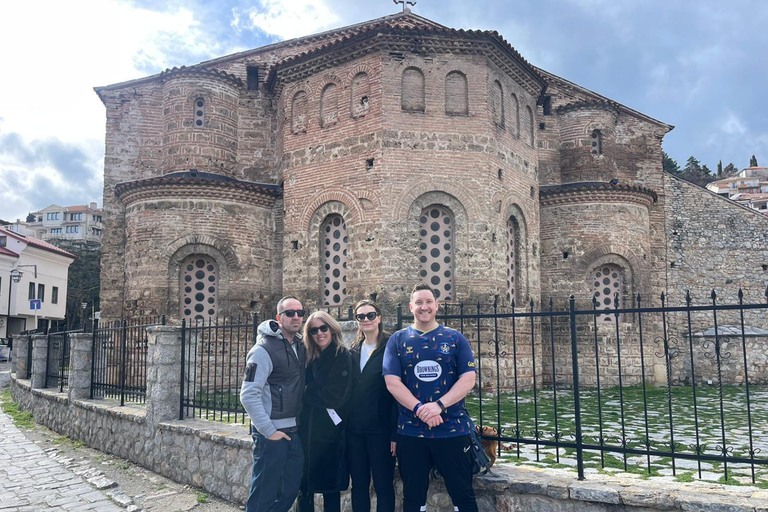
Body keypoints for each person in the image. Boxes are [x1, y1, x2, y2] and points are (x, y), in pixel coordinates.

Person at [383, 284, 478, 512]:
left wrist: (438, 406)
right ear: (410, 307)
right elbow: (392, 382)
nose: (423, 307)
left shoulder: (455, 338)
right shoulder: (398, 340)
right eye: (418, 303)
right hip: (411, 431)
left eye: (428, 302)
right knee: (413, 499)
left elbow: (468, 378)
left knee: (463, 495)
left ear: (437, 305)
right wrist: (420, 409)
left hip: (452, 429)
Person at [240, 296, 307, 512]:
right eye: (290, 313)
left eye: (300, 312)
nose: (296, 317)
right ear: (279, 317)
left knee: (289, 490)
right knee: (263, 494)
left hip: (293, 431)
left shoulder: (299, 345)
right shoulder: (262, 350)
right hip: (272, 433)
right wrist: (269, 431)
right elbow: (248, 394)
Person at [297, 311, 354, 512]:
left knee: (330, 490)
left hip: (330, 434)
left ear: (332, 328)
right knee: (304, 488)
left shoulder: (341, 355)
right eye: (314, 330)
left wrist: (307, 391)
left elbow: (336, 395)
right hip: (306, 432)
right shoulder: (308, 357)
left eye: (324, 328)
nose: (320, 333)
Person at [346, 300, 396, 512]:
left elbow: (396, 394)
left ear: (379, 317)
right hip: (355, 431)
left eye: (370, 315)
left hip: (381, 431)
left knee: (383, 486)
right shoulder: (354, 349)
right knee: (358, 486)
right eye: (361, 316)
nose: (366, 319)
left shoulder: (390, 347)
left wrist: (395, 434)